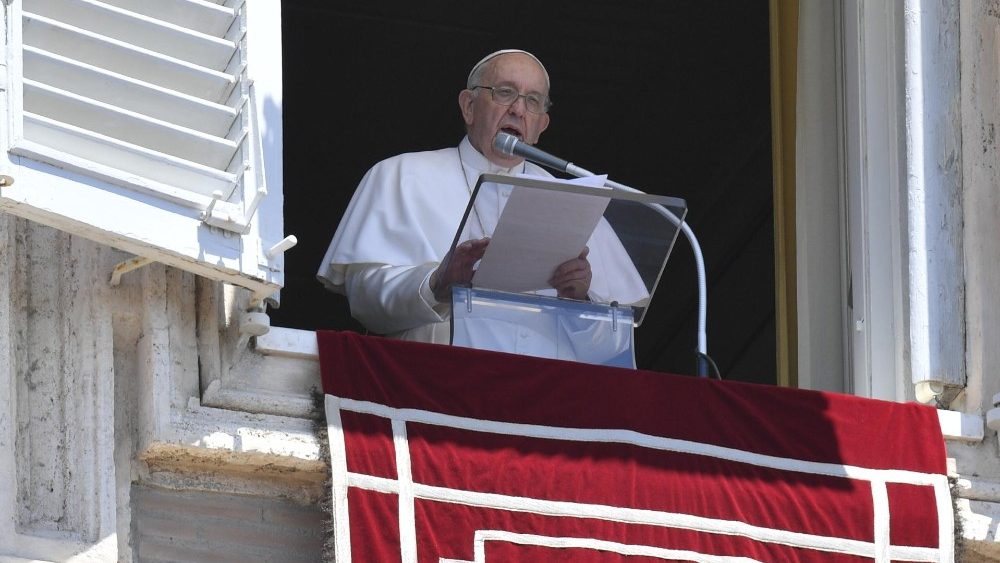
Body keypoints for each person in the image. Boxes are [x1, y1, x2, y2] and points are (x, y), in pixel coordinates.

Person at [317, 49, 647, 349]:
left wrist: (581, 301)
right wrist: (436, 284)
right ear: (469, 106)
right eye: (505, 92)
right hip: (438, 390)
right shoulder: (401, 174)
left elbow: (616, 343)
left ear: (541, 126)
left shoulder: (574, 201)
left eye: (533, 101)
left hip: (545, 397)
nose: (518, 109)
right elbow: (366, 301)